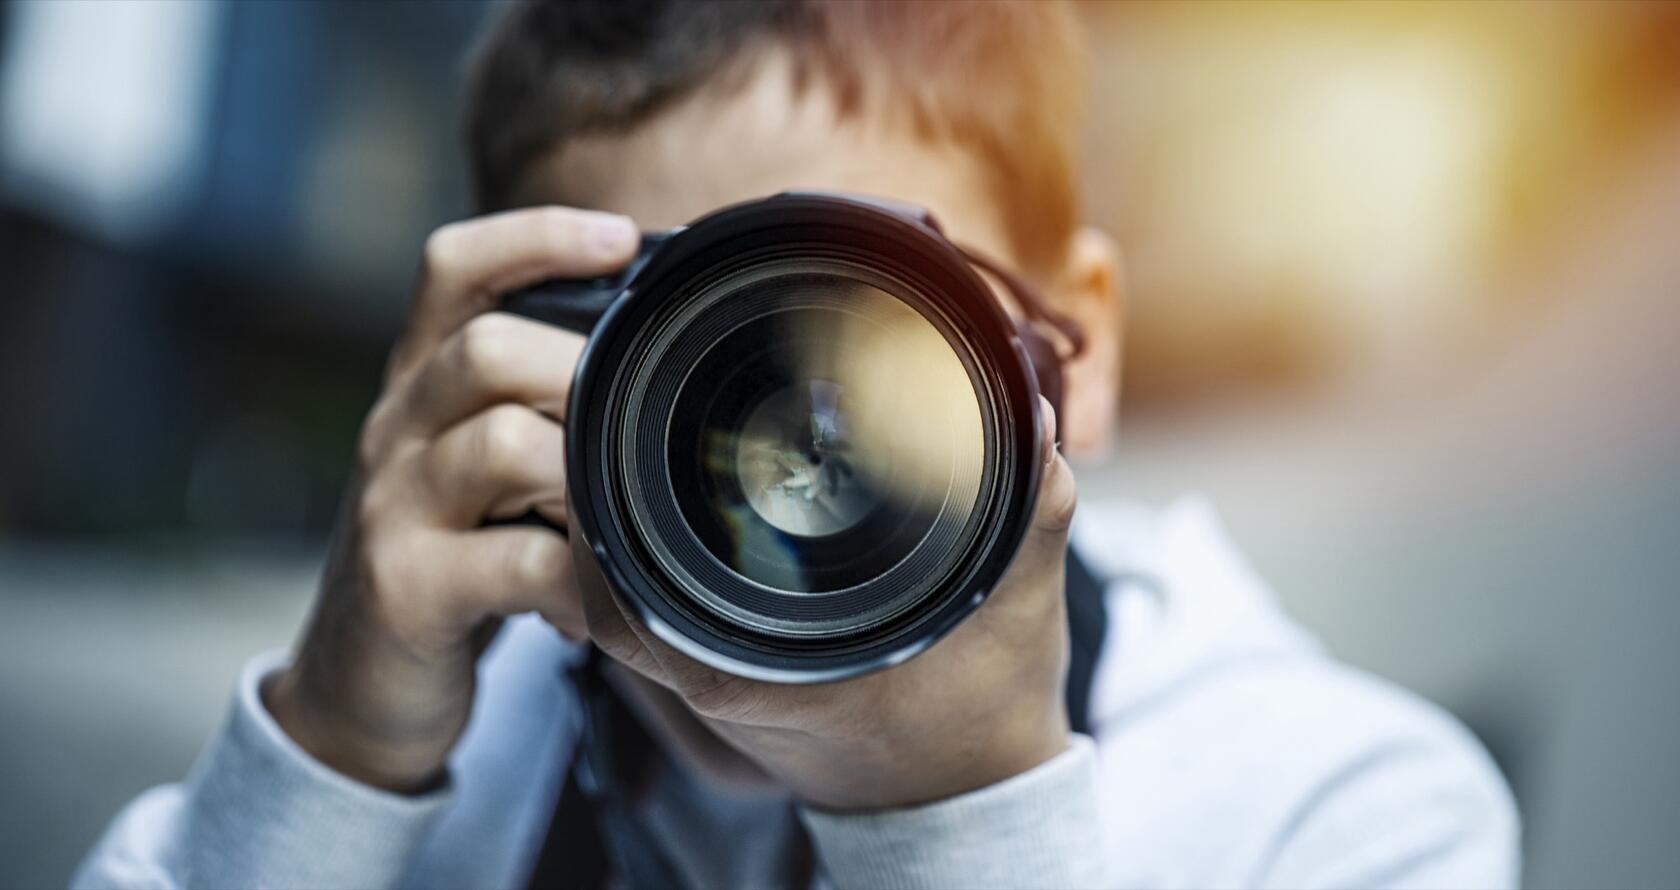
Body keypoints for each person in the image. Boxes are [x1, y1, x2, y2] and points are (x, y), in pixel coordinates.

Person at [75, 2, 1520, 888]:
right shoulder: (443, 725)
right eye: (678, 347)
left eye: (878, 349)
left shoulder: (1351, 808)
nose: (779, 454)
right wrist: (336, 756)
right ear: (510, 341)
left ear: (1077, 351)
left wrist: (958, 817)